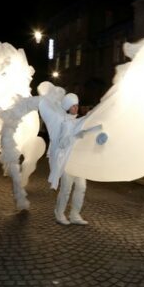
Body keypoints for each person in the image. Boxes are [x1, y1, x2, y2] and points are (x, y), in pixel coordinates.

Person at [50, 93, 89, 225]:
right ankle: (59, 212)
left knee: (81, 187)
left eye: (77, 105)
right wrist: (76, 136)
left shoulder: (80, 121)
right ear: (67, 107)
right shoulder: (64, 122)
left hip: (79, 161)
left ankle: (75, 214)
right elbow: (61, 143)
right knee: (66, 189)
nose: (76, 108)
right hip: (67, 161)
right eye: (73, 106)